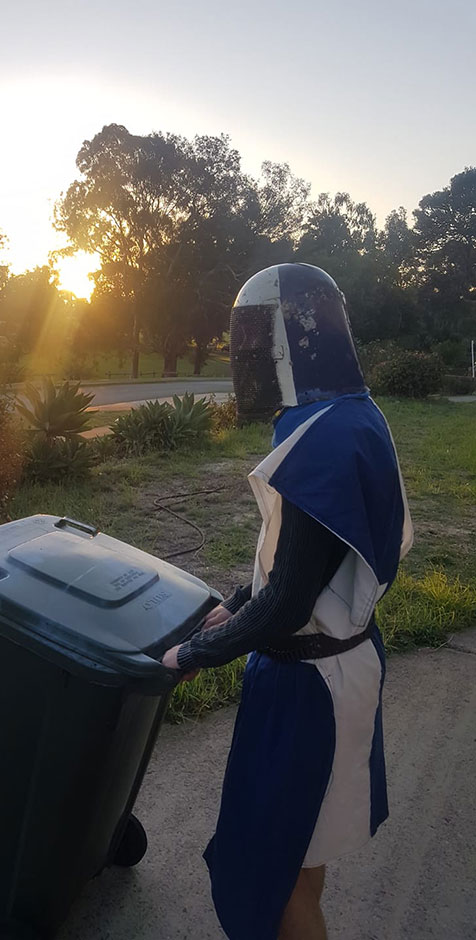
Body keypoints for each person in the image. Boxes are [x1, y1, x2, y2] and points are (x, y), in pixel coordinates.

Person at [161, 263, 413, 940]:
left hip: (312, 689)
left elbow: (292, 599)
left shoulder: (328, 439)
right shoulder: (349, 416)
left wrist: (193, 650)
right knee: (302, 857)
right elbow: (303, 559)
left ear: (292, 337)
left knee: (276, 874)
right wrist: (238, 600)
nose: (242, 353)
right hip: (338, 667)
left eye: (251, 334)